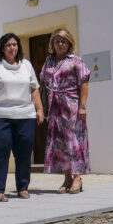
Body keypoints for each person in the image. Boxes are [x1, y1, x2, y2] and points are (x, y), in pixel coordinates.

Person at [0, 33, 44, 201]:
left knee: (24, 152)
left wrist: (39, 109)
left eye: (15, 44)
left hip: (25, 115)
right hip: (0, 115)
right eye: (8, 45)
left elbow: (34, 88)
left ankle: (22, 187)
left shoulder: (26, 65)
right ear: (2, 48)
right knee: (0, 152)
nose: (12, 48)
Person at [40, 27, 90, 194]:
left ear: (69, 43)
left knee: (73, 141)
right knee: (59, 143)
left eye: (63, 41)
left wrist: (82, 106)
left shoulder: (75, 60)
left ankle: (77, 177)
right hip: (54, 107)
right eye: (56, 41)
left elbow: (84, 83)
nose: (60, 44)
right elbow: (43, 83)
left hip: (71, 106)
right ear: (52, 43)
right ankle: (67, 178)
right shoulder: (48, 61)